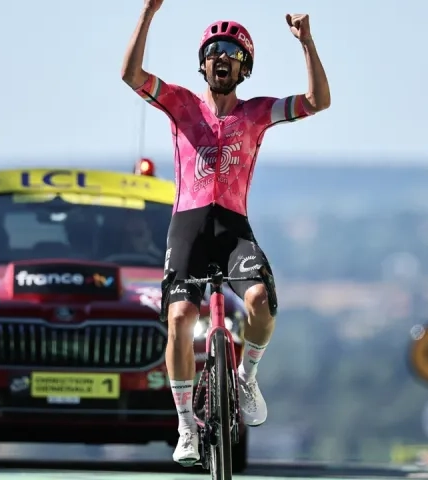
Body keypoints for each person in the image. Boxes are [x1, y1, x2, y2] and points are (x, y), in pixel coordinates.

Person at [121, 0, 331, 466]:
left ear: (244, 68)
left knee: (260, 302)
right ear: (203, 63)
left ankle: (246, 377)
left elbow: (318, 101)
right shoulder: (181, 104)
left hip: (233, 228)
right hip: (189, 227)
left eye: (233, 53)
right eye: (214, 50)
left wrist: (307, 43)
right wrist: (148, 13)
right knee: (180, 319)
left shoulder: (256, 113)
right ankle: (186, 426)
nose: (223, 57)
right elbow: (131, 75)